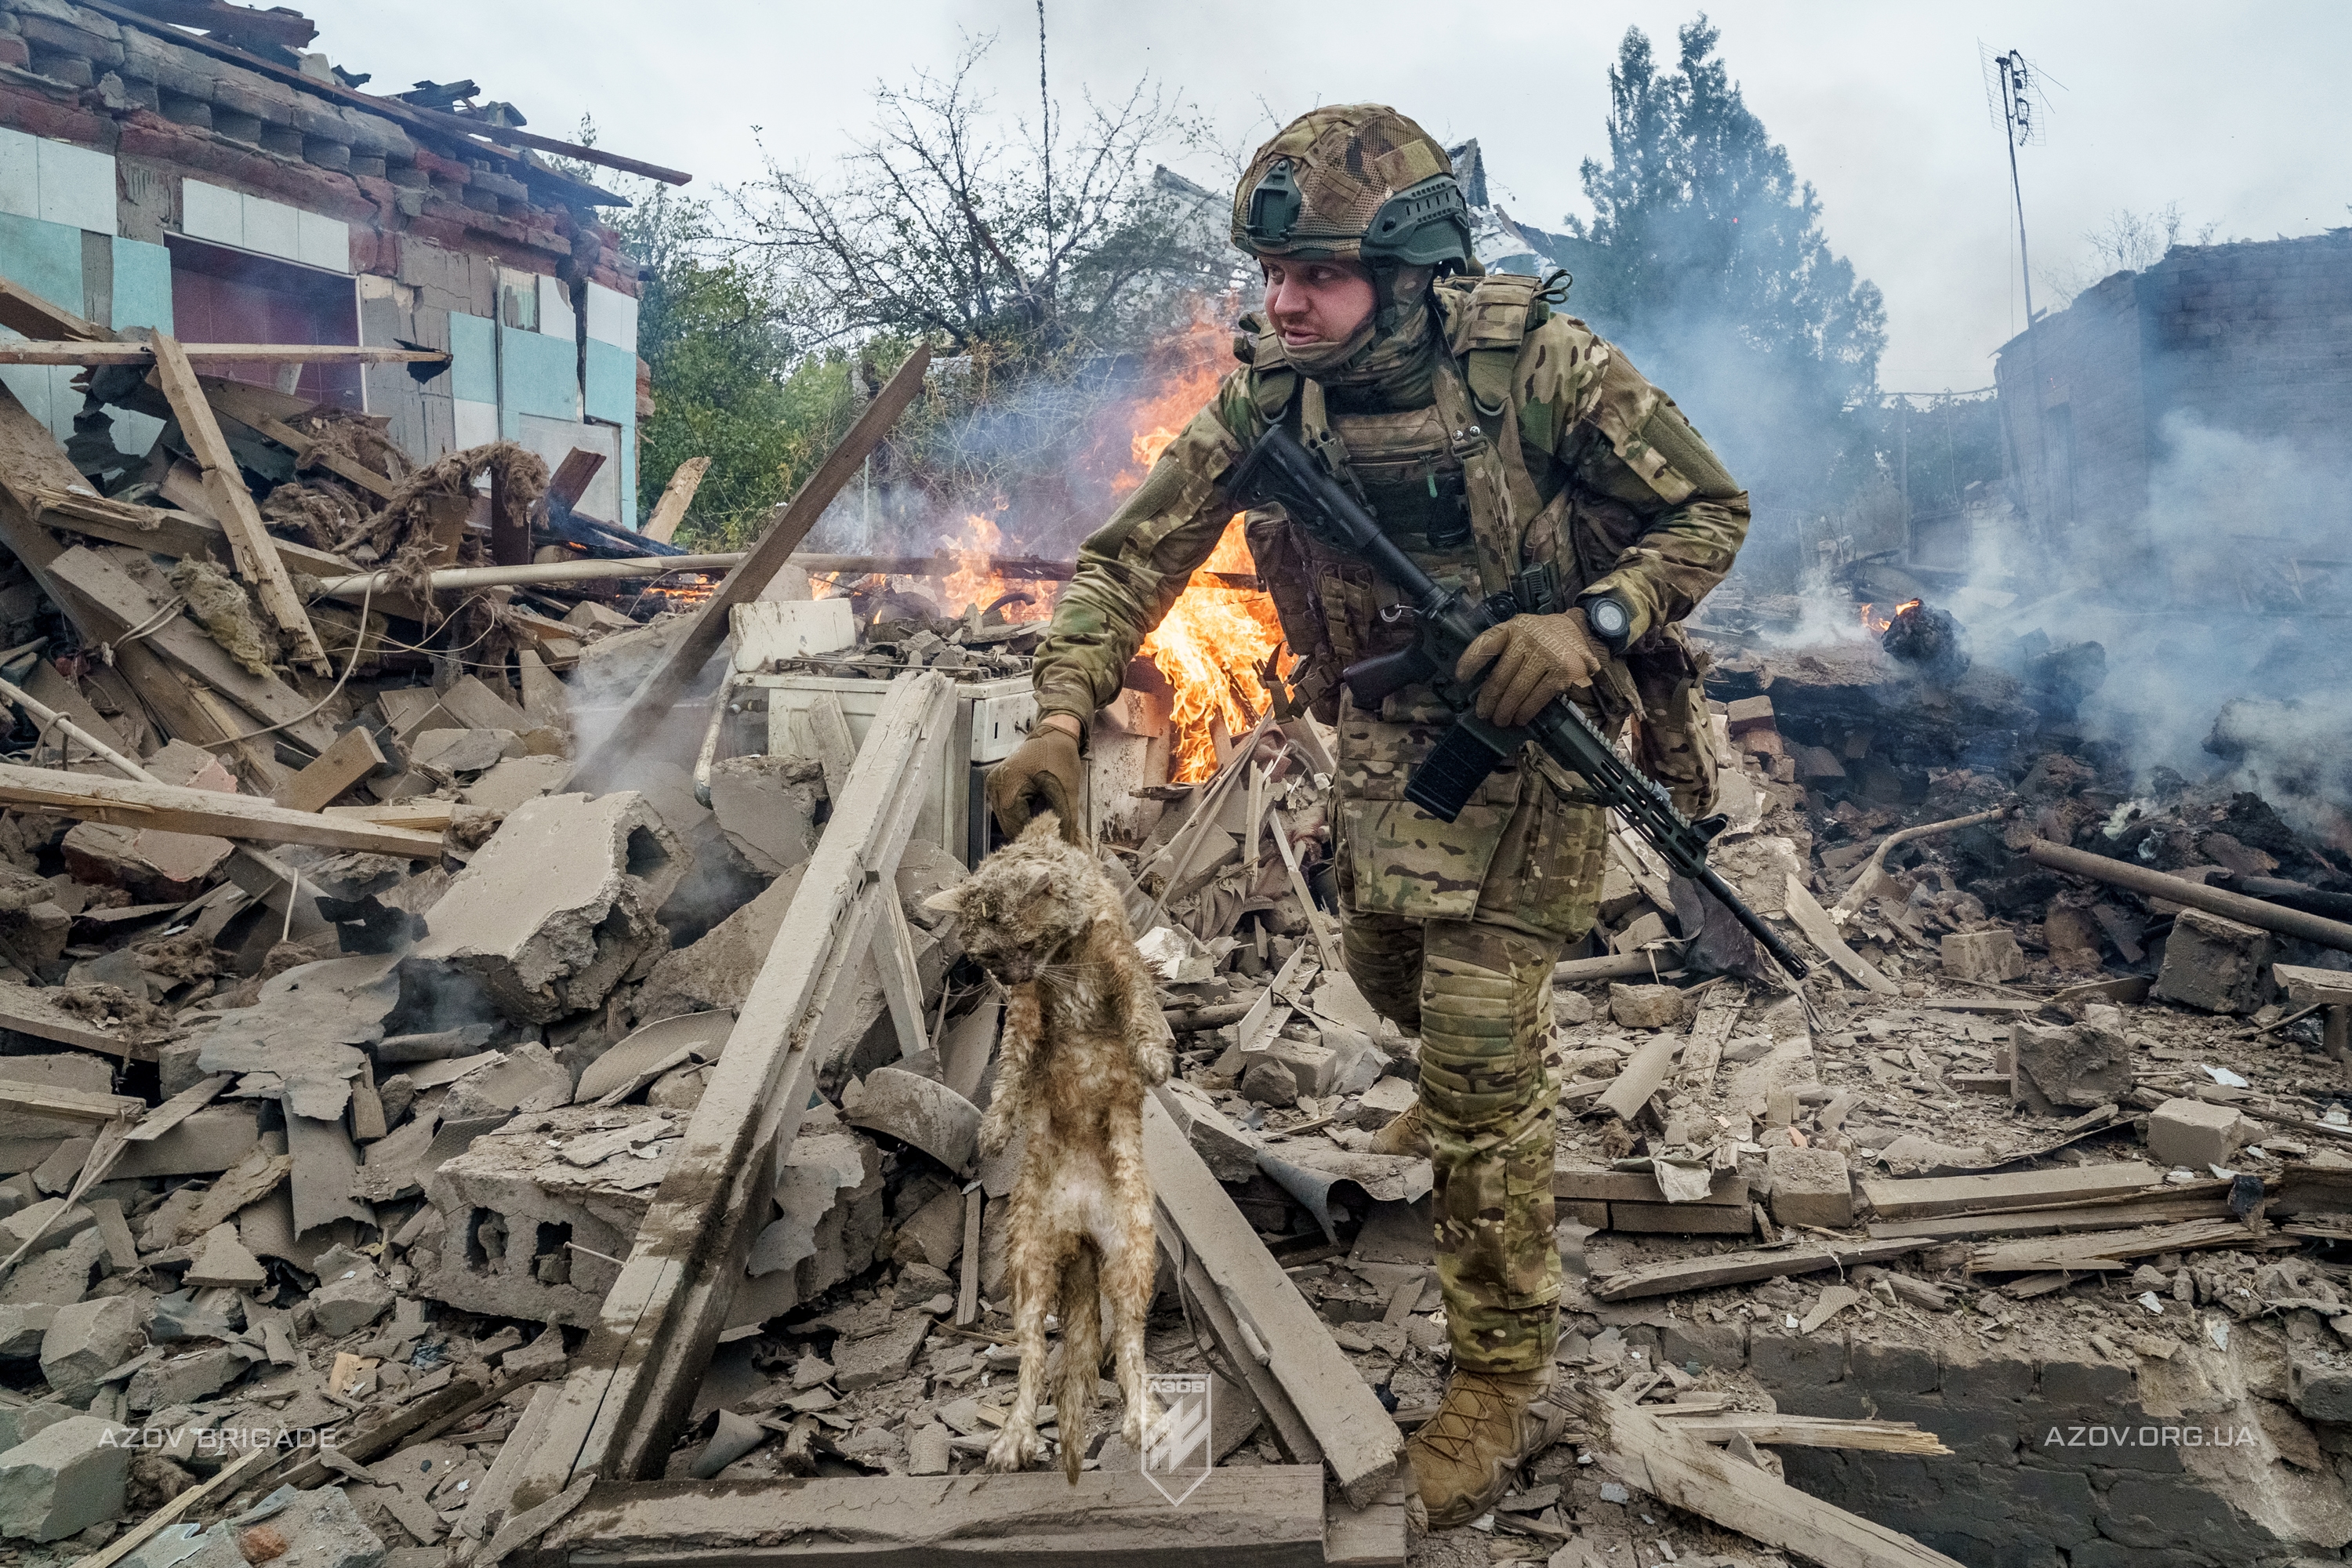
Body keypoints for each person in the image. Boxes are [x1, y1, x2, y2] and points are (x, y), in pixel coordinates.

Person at [985, 103, 1748, 1527]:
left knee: (1476, 1052)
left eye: (1318, 275)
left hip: (1539, 731)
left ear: (1408, 273)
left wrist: (1593, 623)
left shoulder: (1542, 367)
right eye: (1272, 273)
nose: (1284, 302)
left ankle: (1499, 1383)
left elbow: (1709, 511)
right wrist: (1058, 714)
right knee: (1384, 966)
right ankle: (1458, 1099)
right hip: (1394, 733)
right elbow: (1132, 560)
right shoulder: (1275, 397)